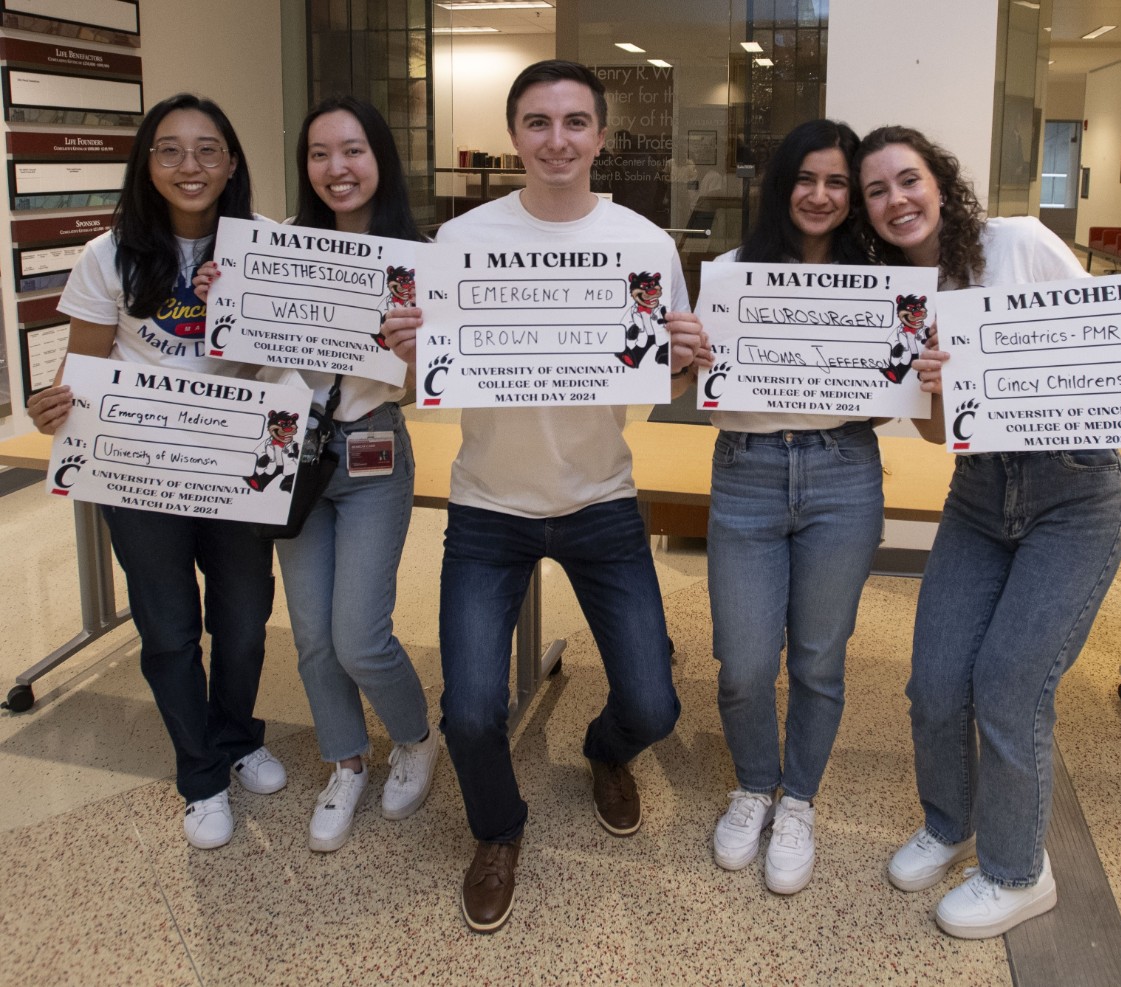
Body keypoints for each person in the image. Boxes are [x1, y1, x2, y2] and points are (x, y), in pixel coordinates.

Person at [851, 125, 1121, 939]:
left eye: (908, 179)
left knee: (1008, 683)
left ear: (940, 182)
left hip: (1075, 494)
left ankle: (1017, 871)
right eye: (877, 191)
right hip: (979, 494)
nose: (896, 200)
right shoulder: (895, 293)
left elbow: (1107, 332)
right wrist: (930, 385)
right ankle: (949, 820)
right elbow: (936, 436)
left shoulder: (1019, 242)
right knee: (933, 682)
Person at [383, 59, 711, 934]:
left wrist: (686, 358)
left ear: (600, 137)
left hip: (601, 499)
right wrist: (411, 346)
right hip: (489, 505)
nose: (556, 140)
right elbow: (427, 377)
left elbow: (666, 377)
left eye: (574, 123)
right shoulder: (461, 244)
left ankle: (605, 753)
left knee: (654, 702)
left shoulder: (644, 245)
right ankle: (499, 829)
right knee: (472, 710)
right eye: (537, 122)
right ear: (515, 136)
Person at [26, 93, 285, 850]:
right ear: (147, 163)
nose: (189, 165)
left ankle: (238, 737)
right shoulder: (107, 255)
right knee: (170, 628)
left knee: (241, 619)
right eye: (169, 150)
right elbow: (86, 369)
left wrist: (251, 299)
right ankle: (201, 772)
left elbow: (297, 355)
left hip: (237, 465)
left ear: (232, 162)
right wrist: (56, 408)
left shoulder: (267, 245)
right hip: (141, 471)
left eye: (208, 149)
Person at [247, 96, 437, 853]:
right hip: (291, 452)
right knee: (314, 636)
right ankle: (347, 757)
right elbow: (239, 354)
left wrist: (421, 344)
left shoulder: (415, 257)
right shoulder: (277, 247)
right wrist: (224, 302)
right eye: (320, 154)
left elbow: (433, 386)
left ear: (380, 158)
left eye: (352, 151)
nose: (337, 168)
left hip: (372, 449)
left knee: (360, 635)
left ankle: (418, 736)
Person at [706, 120, 883, 895]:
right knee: (744, 664)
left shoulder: (881, 284)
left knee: (818, 657)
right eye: (805, 178)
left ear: (851, 197)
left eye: (837, 182)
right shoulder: (725, 274)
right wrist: (688, 356)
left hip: (843, 473)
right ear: (781, 185)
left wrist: (913, 365)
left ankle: (799, 798)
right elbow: (702, 396)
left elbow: (885, 402)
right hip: (745, 472)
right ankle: (753, 783)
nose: (819, 195)